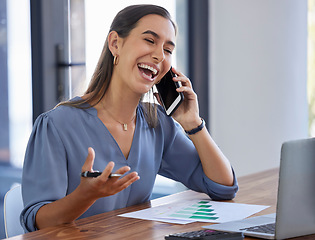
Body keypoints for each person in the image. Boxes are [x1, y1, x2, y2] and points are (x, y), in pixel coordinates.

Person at [21, 4, 238, 232]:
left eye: (168, 49)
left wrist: (193, 124)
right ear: (116, 43)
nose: (159, 55)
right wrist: (85, 196)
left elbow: (222, 187)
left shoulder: (158, 124)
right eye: (150, 40)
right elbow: (38, 223)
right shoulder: (56, 125)